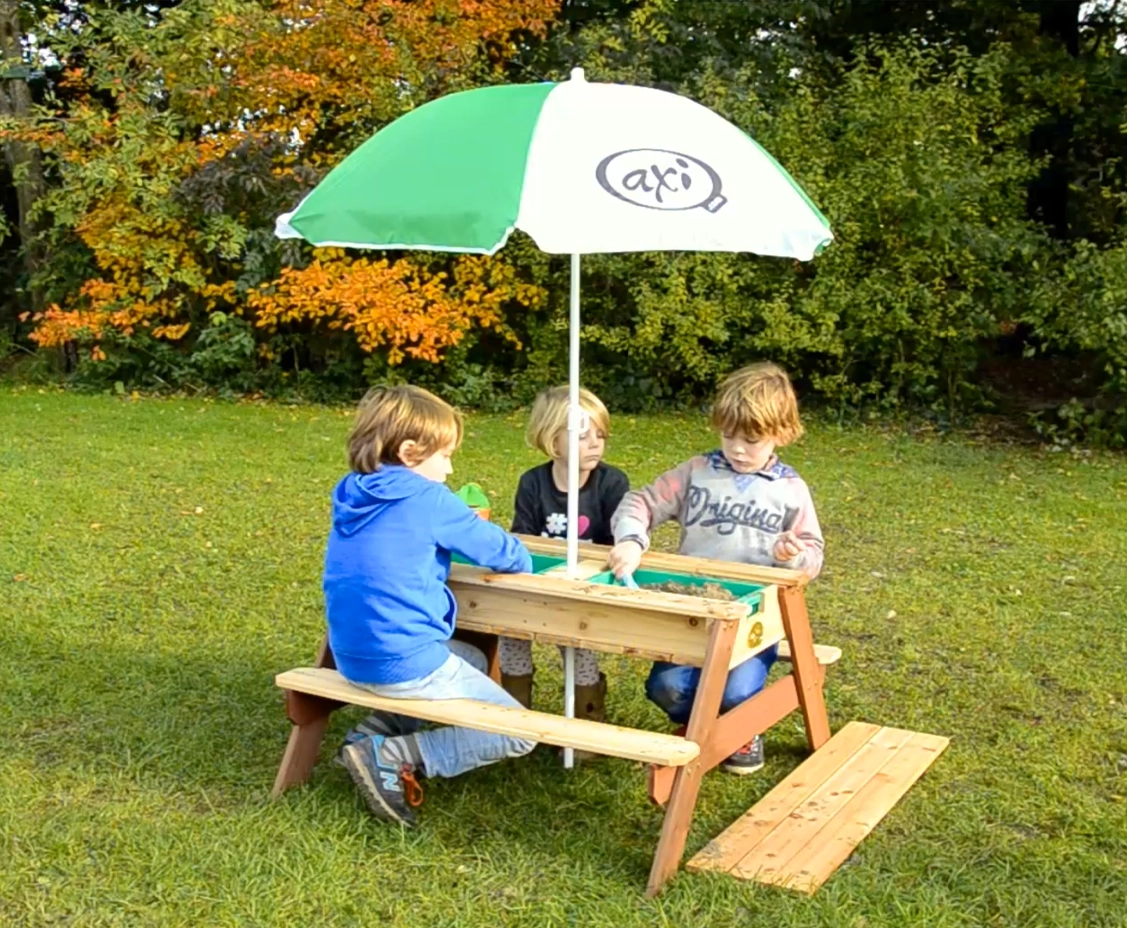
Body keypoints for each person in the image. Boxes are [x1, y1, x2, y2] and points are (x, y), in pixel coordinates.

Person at [325, 384, 535, 827]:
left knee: (473, 656)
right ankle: (394, 754)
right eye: (444, 456)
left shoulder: (351, 491)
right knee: (520, 732)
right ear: (409, 452)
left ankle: (378, 728)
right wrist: (512, 546)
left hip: (351, 656)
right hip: (404, 660)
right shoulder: (430, 498)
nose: (450, 467)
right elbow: (506, 554)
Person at [607, 363, 824, 774]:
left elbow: (813, 553)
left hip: (754, 615)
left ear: (781, 432)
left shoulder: (790, 490)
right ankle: (699, 727)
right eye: (728, 435)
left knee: (737, 691)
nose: (737, 448)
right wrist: (632, 540)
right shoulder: (696, 473)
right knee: (667, 688)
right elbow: (641, 502)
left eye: (751, 439)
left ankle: (738, 729)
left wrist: (791, 556)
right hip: (694, 612)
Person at [500, 386, 629, 730]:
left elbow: (615, 542)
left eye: (600, 435)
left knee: (577, 643)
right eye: (583, 436)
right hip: (540, 582)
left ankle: (587, 717)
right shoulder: (533, 483)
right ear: (552, 441)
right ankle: (515, 716)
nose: (595, 444)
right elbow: (522, 539)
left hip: (587, 585)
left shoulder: (611, 483)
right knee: (512, 631)